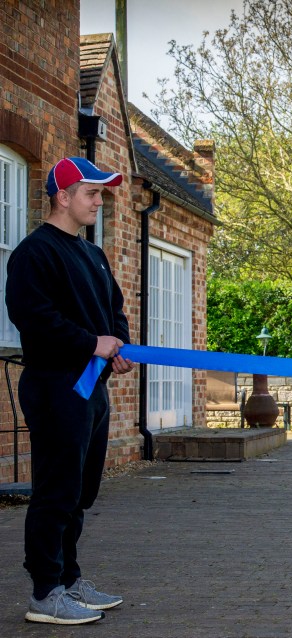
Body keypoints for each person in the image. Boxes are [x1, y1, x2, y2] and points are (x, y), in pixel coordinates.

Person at [5, 157, 135, 625]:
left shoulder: (92, 254)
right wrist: (90, 343)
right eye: (91, 194)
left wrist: (117, 344)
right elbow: (34, 319)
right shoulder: (33, 254)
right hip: (55, 386)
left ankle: (69, 577)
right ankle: (45, 591)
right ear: (63, 196)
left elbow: (113, 309)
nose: (99, 202)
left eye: (101, 194)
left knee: (80, 491)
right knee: (55, 491)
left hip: (91, 389)